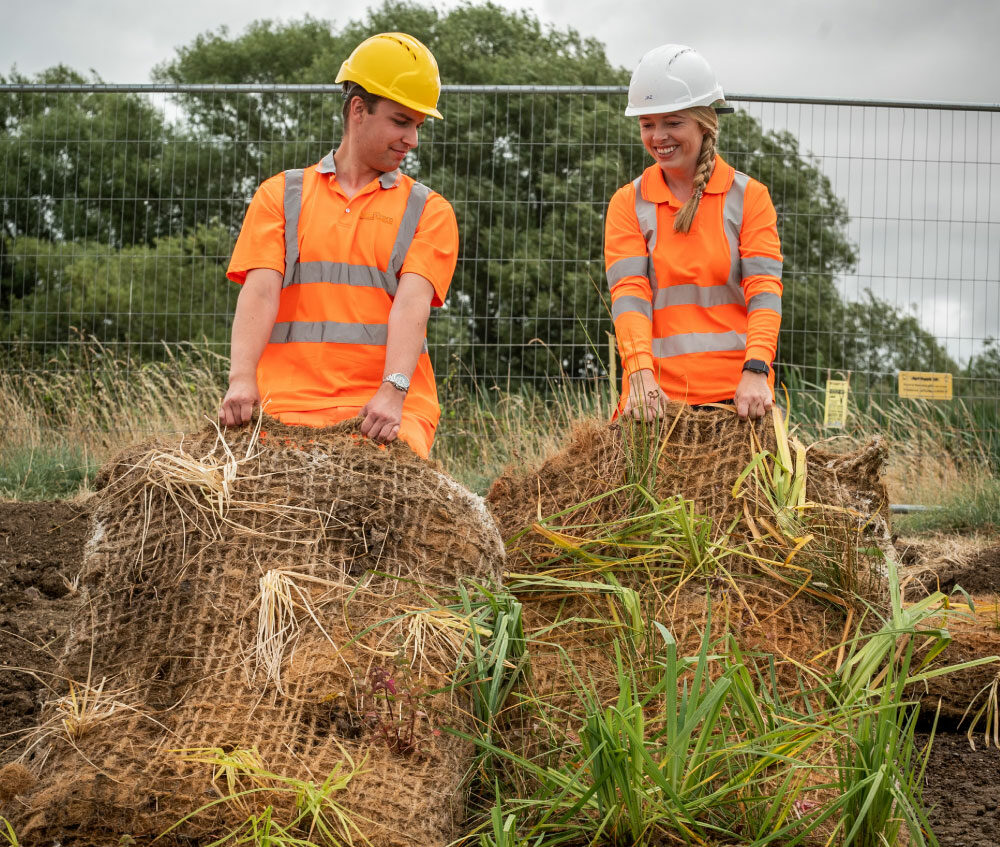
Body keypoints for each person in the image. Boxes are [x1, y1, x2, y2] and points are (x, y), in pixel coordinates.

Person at [218, 32, 459, 459]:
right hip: (285, 407)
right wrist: (241, 379)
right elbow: (260, 291)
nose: (413, 140)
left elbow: (412, 306)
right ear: (358, 110)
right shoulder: (281, 195)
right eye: (402, 122)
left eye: (418, 127)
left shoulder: (429, 211)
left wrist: (393, 390)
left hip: (382, 411)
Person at [604, 44, 782, 422]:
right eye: (647, 124)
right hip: (653, 399)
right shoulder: (628, 203)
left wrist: (756, 371)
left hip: (737, 399)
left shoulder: (750, 197)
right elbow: (629, 296)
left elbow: (764, 293)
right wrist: (639, 375)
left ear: (706, 123)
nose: (658, 137)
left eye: (673, 122)